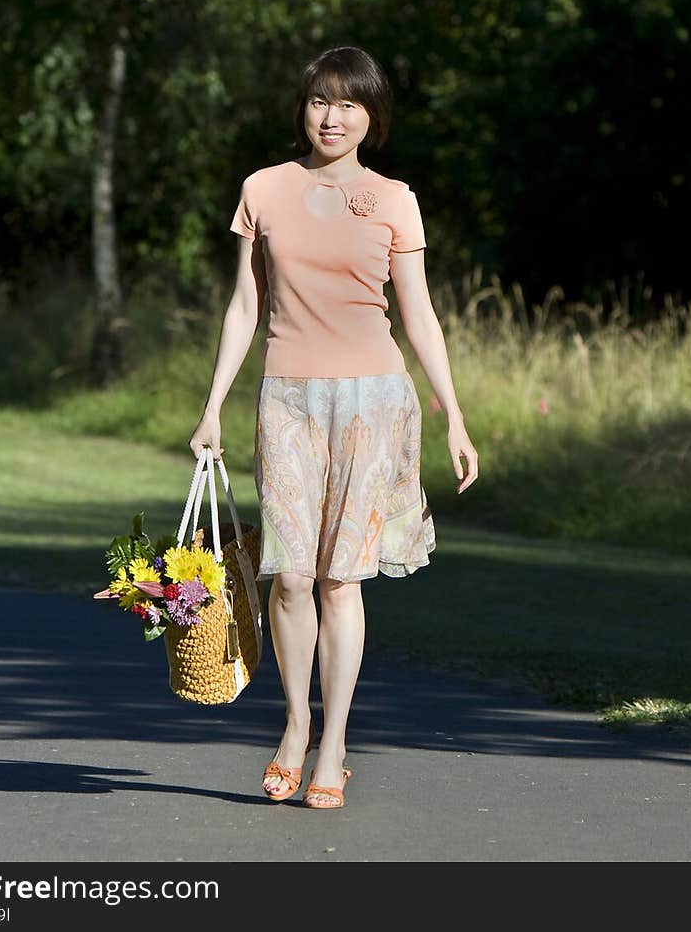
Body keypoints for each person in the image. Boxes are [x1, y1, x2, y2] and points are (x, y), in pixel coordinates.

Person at [188, 44, 478, 809]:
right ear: (303, 108)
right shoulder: (263, 190)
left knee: (342, 580)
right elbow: (245, 306)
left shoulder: (394, 199)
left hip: (374, 403)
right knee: (290, 578)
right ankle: (293, 725)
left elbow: (418, 312)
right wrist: (213, 404)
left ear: (372, 116)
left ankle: (336, 743)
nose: (332, 116)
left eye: (350, 104)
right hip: (287, 398)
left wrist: (453, 413)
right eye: (321, 100)